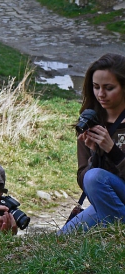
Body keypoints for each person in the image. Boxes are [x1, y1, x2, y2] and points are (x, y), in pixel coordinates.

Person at [59, 53, 125, 234]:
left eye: (109, 88)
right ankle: (115, 226)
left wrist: (112, 150)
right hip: (107, 204)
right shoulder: (89, 121)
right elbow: (84, 181)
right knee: (61, 239)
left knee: (95, 177)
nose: (101, 94)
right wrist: (94, 155)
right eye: (96, 87)